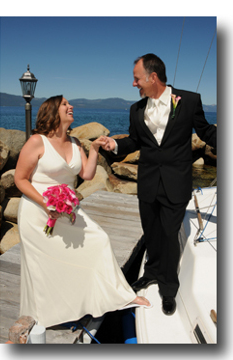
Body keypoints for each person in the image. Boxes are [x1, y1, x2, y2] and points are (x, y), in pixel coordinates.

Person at [14, 95, 151, 329]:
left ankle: (119, 296)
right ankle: (47, 315)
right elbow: (20, 179)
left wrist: (95, 147)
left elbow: (86, 174)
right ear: (52, 111)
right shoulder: (37, 142)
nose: (71, 106)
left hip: (68, 210)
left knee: (99, 241)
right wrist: (46, 203)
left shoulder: (76, 142)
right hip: (38, 212)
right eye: (65, 104)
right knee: (44, 264)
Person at [102, 53, 217, 316]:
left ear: (153, 77)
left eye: (136, 78)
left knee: (168, 233)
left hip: (176, 182)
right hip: (148, 183)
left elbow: (206, 132)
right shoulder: (136, 109)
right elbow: (134, 141)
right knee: (151, 231)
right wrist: (116, 145)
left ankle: (168, 288)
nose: (134, 84)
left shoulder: (188, 101)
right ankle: (151, 272)